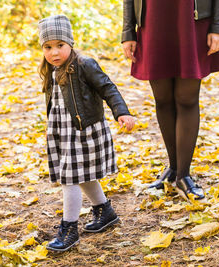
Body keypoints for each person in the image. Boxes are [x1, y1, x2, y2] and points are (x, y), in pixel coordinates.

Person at [38, 15, 135, 252]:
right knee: (81, 175)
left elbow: (107, 87)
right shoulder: (51, 69)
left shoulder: (84, 64)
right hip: (63, 130)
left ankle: (69, 228)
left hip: (84, 130)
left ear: (70, 43)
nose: (54, 52)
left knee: (70, 177)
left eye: (60, 45)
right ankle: (105, 211)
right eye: (48, 47)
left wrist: (121, 112)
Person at [122, 0, 219, 200]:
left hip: (191, 19)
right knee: (162, 99)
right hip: (152, 19)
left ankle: (183, 175)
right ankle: (173, 168)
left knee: (186, 99)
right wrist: (128, 32)